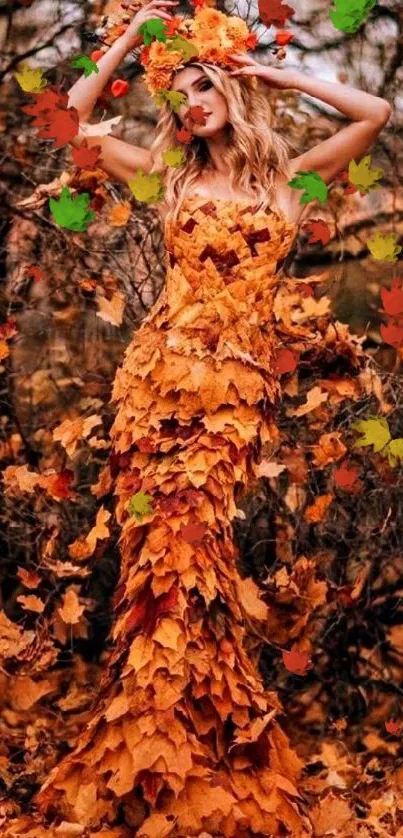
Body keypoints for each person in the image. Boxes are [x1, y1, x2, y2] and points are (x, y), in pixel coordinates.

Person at [32, 1, 392, 835]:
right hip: (157, 389)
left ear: (231, 90)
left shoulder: (293, 182)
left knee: (200, 563)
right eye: (180, 93)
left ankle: (201, 743)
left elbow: (374, 113)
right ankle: (149, 752)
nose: (192, 102)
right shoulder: (167, 179)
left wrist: (264, 71)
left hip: (232, 401)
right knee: (156, 568)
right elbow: (67, 124)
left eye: (205, 86)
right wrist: (130, 43)